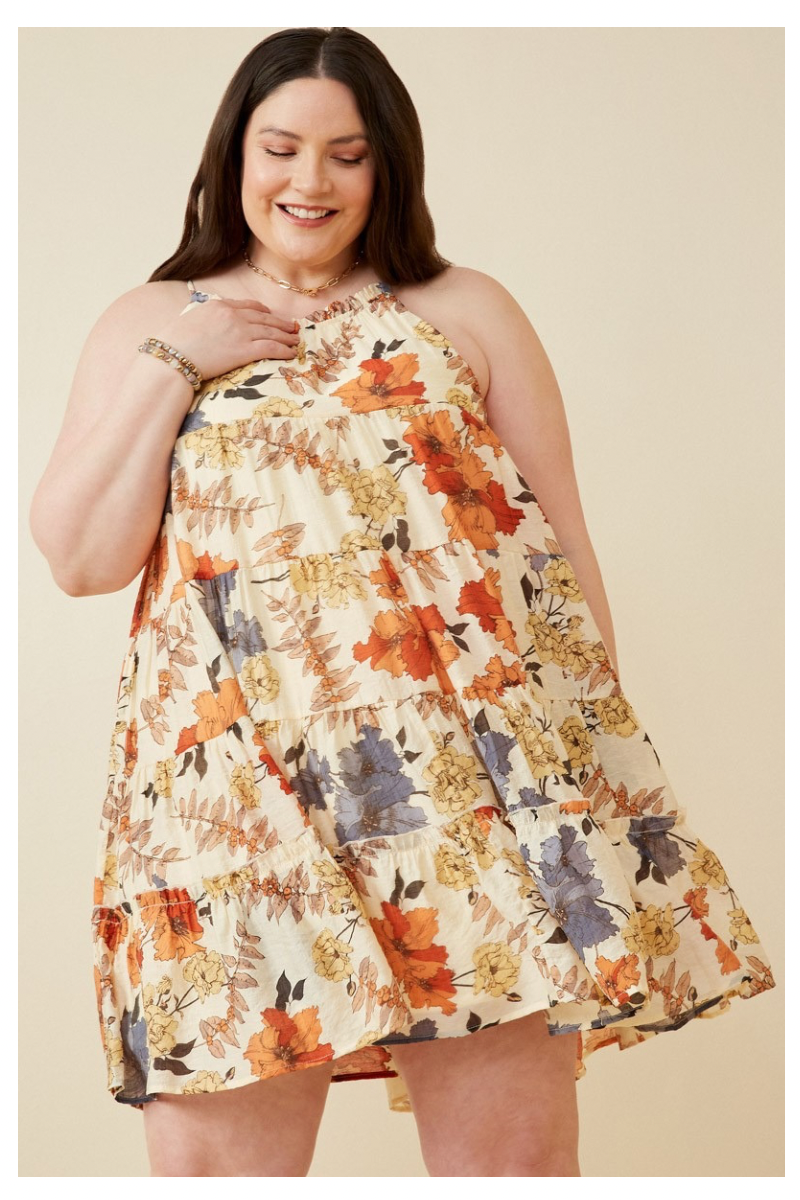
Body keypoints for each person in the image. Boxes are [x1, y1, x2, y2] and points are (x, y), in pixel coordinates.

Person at [29, 26, 776, 1179]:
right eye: (281, 148)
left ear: (389, 165)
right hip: (231, 800)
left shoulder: (464, 308)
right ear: (234, 155)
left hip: (461, 794)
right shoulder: (153, 319)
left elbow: (558, 553)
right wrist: (178, 362)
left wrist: (578, 801)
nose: (311, 181)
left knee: (511, 1167)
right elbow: (81, 558)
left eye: (348, 154)